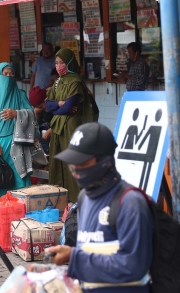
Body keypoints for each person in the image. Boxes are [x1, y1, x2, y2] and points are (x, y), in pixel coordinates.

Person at [45, 123, 153, 292]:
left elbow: (133, 265)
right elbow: (89, 256)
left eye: (81, 162)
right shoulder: (84, 198)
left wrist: (74, 258)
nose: (75, 169)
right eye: (72, 162)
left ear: (106, 162)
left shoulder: (130, 202)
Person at [0, 63, 33, 217]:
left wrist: (16, 113)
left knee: (19, 179)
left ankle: (19, 213)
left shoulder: (19, 94)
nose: (8, 77)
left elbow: (31, 113)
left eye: (11, 74)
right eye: (5, 74)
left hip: (16, 143)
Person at [47, 48, 93, 202]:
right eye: (57, 63)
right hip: (58, 126)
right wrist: (60, 105)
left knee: (72, 161)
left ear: (70, 63)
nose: (59, 66)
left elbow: (68, 108)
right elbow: (48, 106)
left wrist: (58, 108)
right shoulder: (57, 82)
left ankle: (77, 199)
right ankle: (60, 198)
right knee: (57, 160)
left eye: (62, 63)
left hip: (71, 126)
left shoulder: (76, 81)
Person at [29, 86, 53, 154]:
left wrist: (52, 130)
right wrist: (37, 114)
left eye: (42, 104)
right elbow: (35, 128)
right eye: (40, 107)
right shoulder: (40, 111)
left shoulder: (56, 103)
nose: (43, 107)